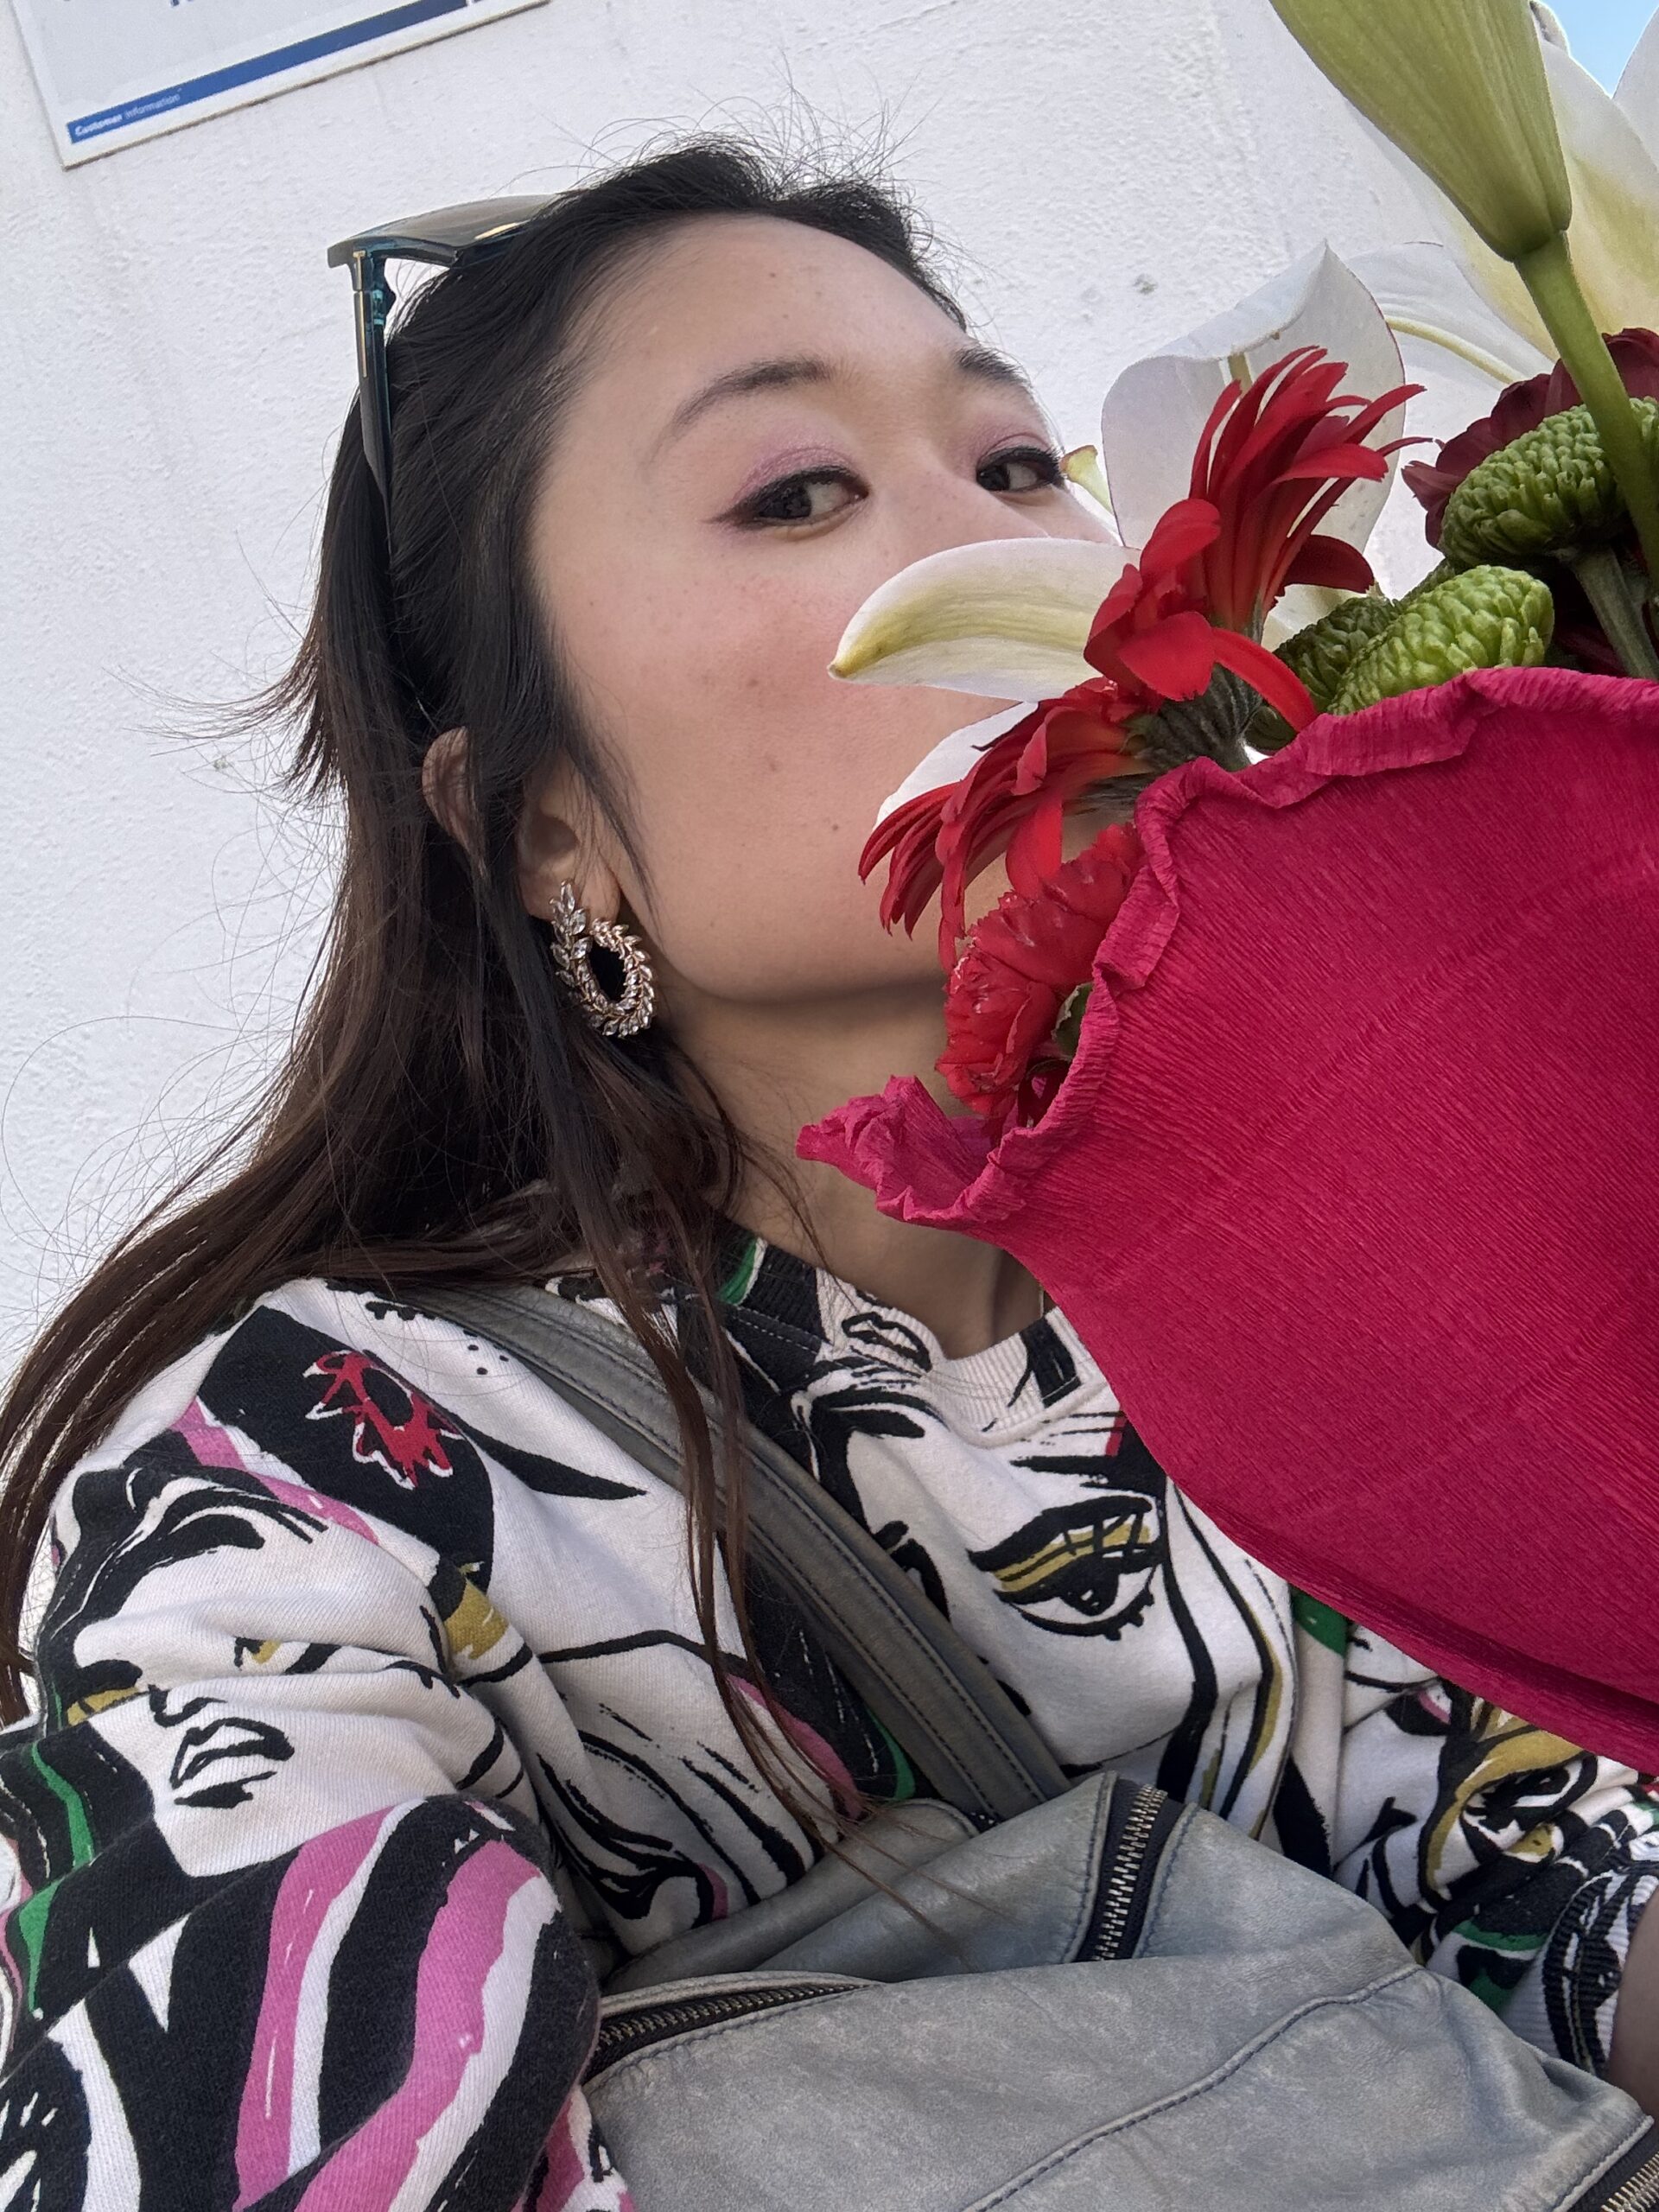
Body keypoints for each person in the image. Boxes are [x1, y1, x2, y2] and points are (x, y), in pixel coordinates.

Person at [1, 137, 1656, 2209]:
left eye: (1021, 462)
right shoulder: (310, 1481)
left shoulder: (1318, 1293)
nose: (1023, 554)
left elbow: (1566, 1894)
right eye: (797, 490)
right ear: (542, 829)